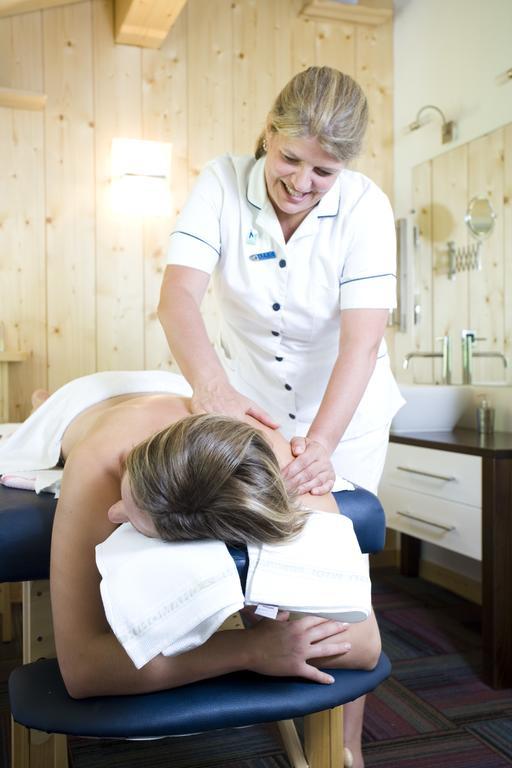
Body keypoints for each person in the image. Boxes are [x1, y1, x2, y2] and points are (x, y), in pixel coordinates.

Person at [158, 66, 403, 766]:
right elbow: (179, 296)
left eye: (322, 171)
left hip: (345, 412)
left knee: (338, 573)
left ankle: (344, 748)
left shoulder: (364, 207)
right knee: (262, 557)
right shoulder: (222, 180)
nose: (300, 181)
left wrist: (323, 444)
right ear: (268, 130)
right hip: (252, 402)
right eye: (290, 158)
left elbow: (362, 340)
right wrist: (211, 389)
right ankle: (279, 686)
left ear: (345, 168)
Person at [31, 379, 382, 716]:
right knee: (47, 416)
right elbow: (82, 671)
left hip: (171, 393)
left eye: (133, 517)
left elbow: (365, 645)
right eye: (125, 498)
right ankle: (44, 402)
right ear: (129, 459)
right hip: (83, 402)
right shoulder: (98, 458)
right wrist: (248, 650)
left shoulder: (276, 461)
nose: (112, 513)